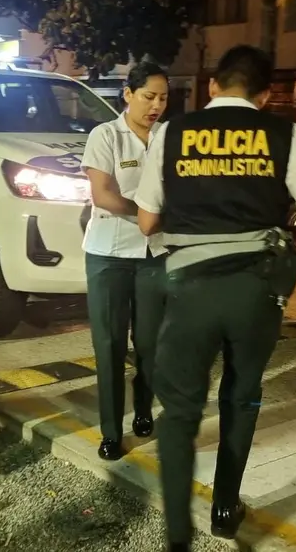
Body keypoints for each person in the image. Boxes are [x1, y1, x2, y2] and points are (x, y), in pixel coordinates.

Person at [134, 45, 296, 551]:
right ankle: (225, 506)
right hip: (255, 290)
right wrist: (293, 234)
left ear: (213, 87)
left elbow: (146, 221)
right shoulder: (286, 135)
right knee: (242, 394)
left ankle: (177, 537)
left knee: (179, 412)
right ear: (266, 95)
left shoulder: (171, 133)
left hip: (189, 289)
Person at [82, 61, 170, 461]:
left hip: (155, 254)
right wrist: (148, 215)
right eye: (149, 96)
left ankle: (144, 411)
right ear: (128, 94)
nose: (156, 106)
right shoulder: (106, 136)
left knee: (150, 343)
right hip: (109, 254)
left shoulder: (168, 138)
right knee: (110, 344)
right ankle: (111, 430)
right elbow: (103, 195)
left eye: (163, 98)